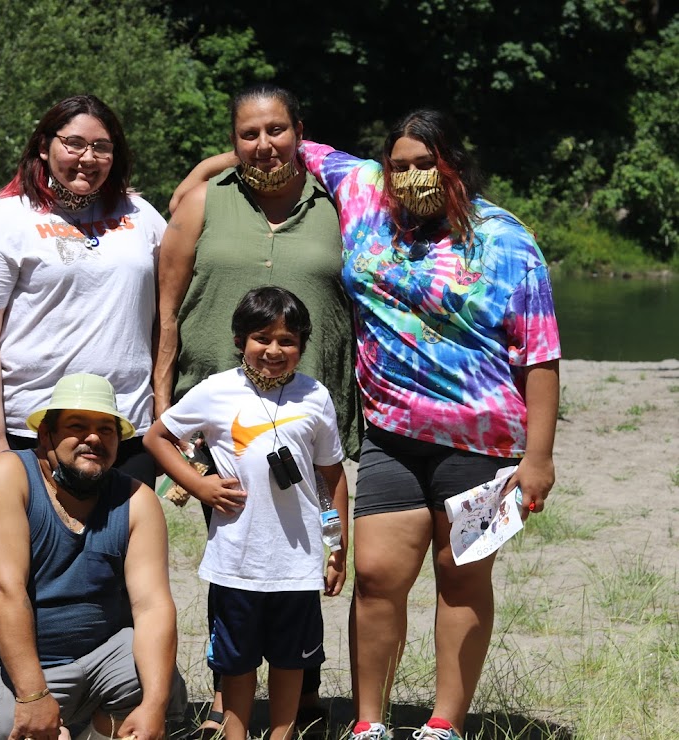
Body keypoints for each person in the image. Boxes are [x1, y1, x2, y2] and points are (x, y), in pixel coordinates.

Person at [179, 109, 561, 740]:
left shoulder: (505, 238)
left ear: (454, 166)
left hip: (482, 438)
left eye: (424, 165)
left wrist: (539, 458)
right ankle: (370, 721)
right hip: (389, 434)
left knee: (461, 576)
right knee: (378, 576)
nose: (410, 177)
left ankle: (445, 722)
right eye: (400, 165)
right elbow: (290, 147)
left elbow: (540, 353)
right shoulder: (364, 192)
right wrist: (207, 170)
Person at [155, 83, 361, 734]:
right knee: (236, 553)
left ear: (301, 131)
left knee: (295, 541)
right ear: (232, 140)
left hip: (308, 404)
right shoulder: (202, 201)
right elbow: (165, 311)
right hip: (214, 410)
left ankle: (298, 698)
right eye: (249, 134)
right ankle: (228, 702)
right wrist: (164, 399)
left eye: (276, 130)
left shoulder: (341, 204)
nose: (264, 144)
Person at [145, 287, 349, 740]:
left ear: (302, 345)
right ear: (241, 340)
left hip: (296, 564)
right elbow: (157, 438)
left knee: (290, 659)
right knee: (236, 662)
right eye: (262, 338)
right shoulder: (216, 390)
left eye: (288, 341)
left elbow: (331, 479)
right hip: (236, 562)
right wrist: (199, 484)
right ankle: (235, 733)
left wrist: (336, 545)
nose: (274, 350)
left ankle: (283, 731)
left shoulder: (315, 397)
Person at [0, 373, 188, 740]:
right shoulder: (5, 476)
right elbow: (4, 590)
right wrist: (33, 696)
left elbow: (153, 606)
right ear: (46, 435)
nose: (93, 438)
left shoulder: (136, 499)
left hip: (98, 659)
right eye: (77, 427)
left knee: (157, 683)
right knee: (3, 727)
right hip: (9, 667)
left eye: (106, 430)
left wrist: (154, 706)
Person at [0, 94, 165, 486]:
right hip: (35, 428)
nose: (88, 157)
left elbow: (168, 317)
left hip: (125, 428)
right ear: (44, 145)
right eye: (74, 143)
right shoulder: (3, 220)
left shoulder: (141, 215)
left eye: (102, 147)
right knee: (36, 547)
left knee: (120, 546)